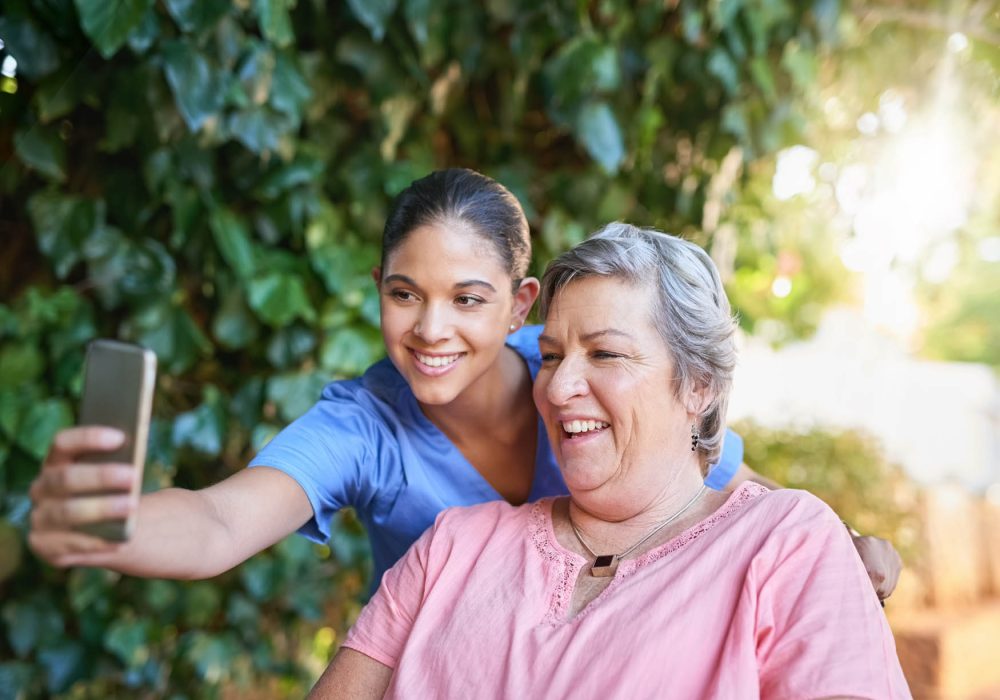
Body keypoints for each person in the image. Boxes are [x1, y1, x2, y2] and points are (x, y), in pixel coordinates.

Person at [28, 169, 898, 599]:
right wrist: (116, 524)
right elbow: (222, 519)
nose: (430, 330)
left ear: (521, 303)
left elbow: (733, 493)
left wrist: (850, 549)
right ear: (378, 290)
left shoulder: (583, 382)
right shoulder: (365, 425)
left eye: (467, 300)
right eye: (404, 295)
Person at [310, 224, 911, 699]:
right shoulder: (451, 547)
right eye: (549, 356)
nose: (559, 386)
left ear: (698, 383)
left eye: (605, 354)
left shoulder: (788, 545)